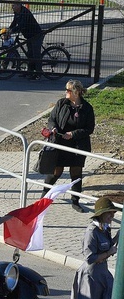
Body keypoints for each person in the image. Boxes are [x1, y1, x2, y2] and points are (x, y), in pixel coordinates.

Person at [68, 197, 118, 299]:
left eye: (113, 213)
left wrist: (119, 235)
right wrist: (108, 253)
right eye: (109, 214)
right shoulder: (92, 231)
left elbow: (109, 246)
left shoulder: (105, 228)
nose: (112, 216)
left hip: (103, 272)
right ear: (100, 214)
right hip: (91, 274)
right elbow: (89, 258)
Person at [42, 80, 95, 213]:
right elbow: (51, 119)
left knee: (76, 173)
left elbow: (89, 128)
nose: (66, 92)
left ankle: (75, 201)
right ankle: (43, 197)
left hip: (77, 145)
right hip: (60, 143)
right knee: (56, 172)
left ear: (76, 93)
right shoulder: (61, 103)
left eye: (68, 90)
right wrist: (53, 128)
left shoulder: (87, 108)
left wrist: (73, 134)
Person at [8, 0, 44, 80]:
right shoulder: (17, 13)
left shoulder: (25, 12)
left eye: (13, 5)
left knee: (36, 55)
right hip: (29, 36)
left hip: (36, 35)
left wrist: (13, 30)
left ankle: (39, 73)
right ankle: (30, 72)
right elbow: (14, 22)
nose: (12, 7)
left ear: (19, 5)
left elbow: (22, 24)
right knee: (29, 54)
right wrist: (9, 29)